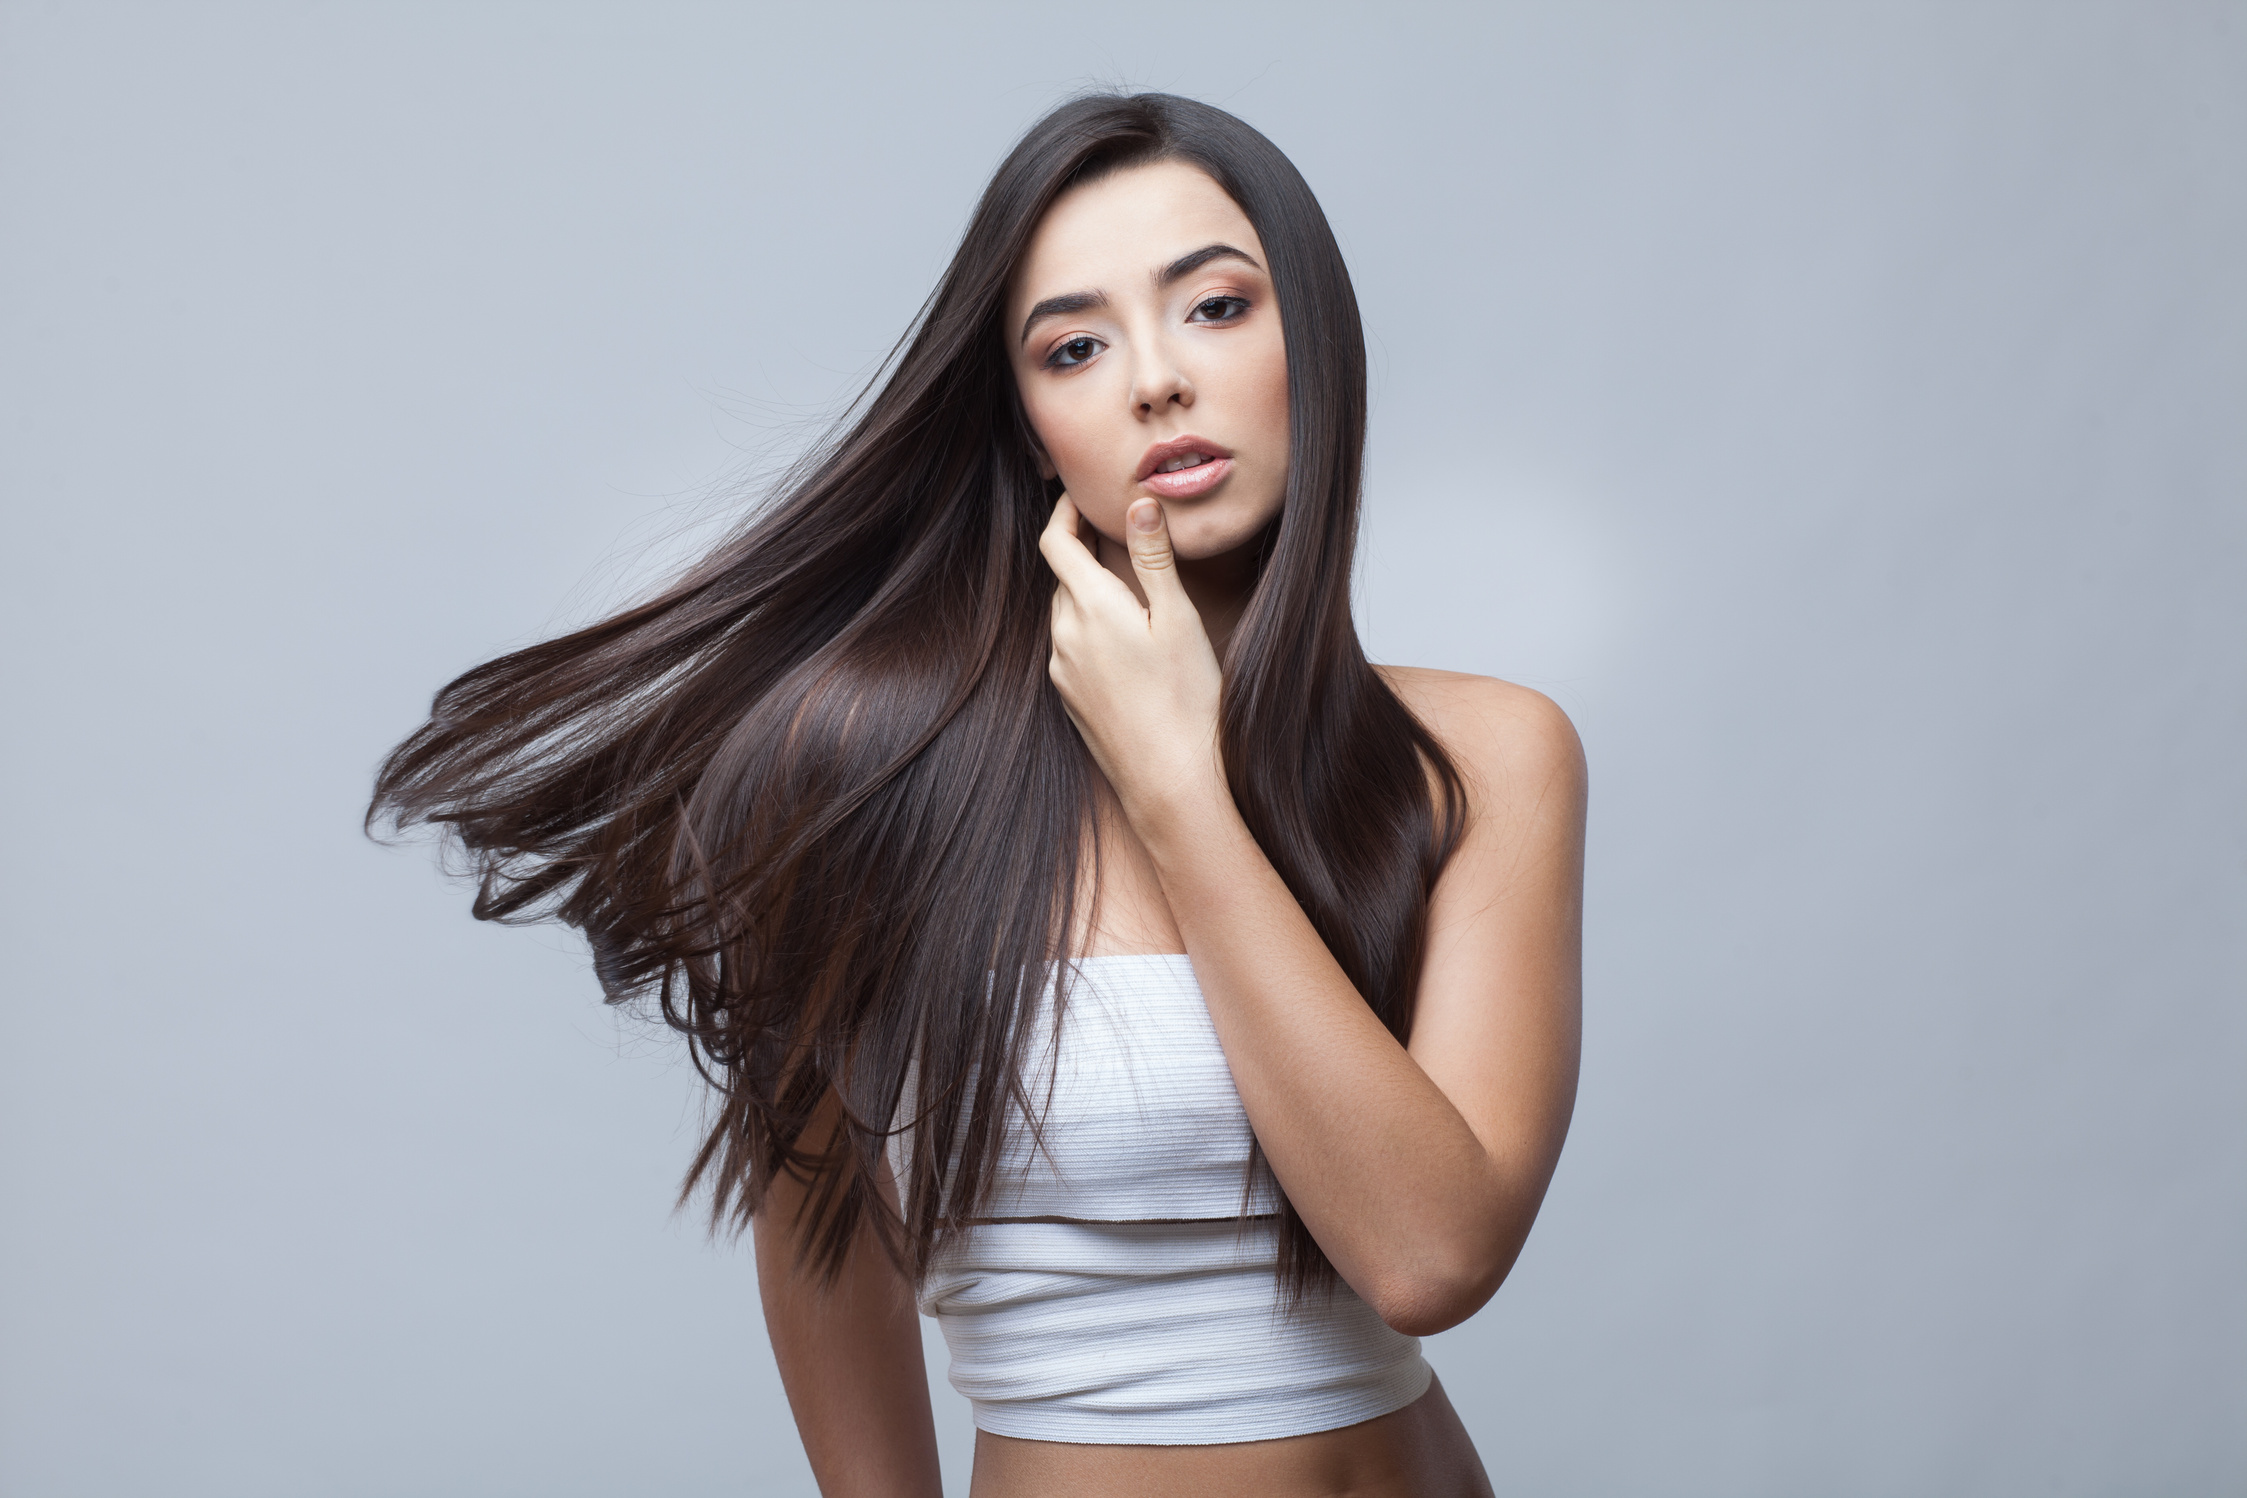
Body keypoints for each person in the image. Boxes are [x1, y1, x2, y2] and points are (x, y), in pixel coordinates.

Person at [370, 91, 1583, 1498]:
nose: (1154, 381)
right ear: (1026, 426)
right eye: (1076, 345)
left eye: (1214, 307)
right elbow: (823, 1252)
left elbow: (1430, 1250)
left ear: (1315, 343)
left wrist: (1183, 789)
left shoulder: (1486, 756)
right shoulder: (871, 761)